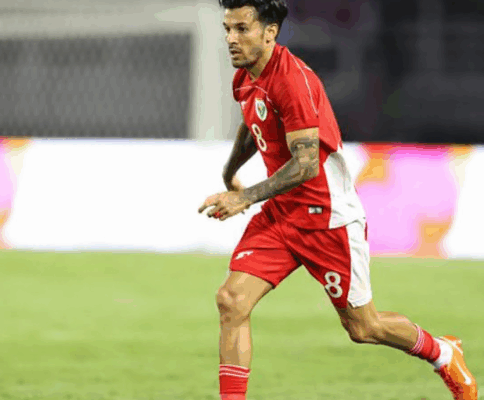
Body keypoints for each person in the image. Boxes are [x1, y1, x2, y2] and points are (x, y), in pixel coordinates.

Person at [197, 1, 478, 399]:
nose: (230, 38)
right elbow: (253, 121)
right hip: (282, 214)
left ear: (270, 32)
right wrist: (230, 174)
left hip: (326, 218)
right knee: (231, 300)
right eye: (228, 28)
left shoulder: (293, 81)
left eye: (241, 29)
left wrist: (246, 198)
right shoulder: (245, 76)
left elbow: (307, 164)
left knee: (364, 328)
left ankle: (442, 352)